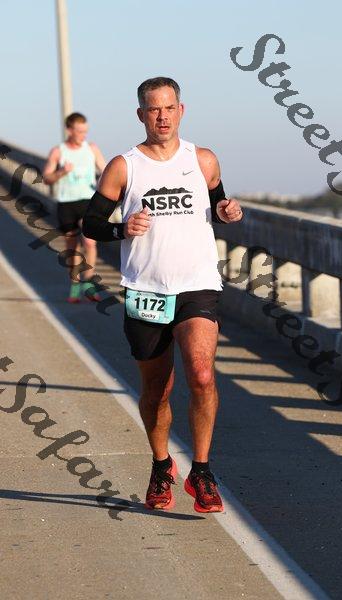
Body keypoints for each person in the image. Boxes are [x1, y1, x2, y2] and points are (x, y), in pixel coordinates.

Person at [82, 77, 243, 513]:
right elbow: (90, 224)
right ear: (141, 115)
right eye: (154, 109)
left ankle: (202, 472)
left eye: (169, 108)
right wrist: (122, 228)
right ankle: (160, 465)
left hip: (197, 285)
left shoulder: (202, 159)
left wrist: (228, 211)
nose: (162, 117)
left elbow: (219, 206)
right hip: (146, 290)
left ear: (181, 110)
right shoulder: (125, 166)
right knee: (157, 390)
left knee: (202, 375)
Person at [43, 112, 106, 302]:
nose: (83, 135)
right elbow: (47, 178)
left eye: (85, 131)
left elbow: (106, 171)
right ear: (69, 130)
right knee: (73, 248)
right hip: (66, 204)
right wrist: (62, 171)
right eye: (79, 131)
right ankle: (75, 283)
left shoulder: (92, 148)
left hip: (88, 202)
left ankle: (89, 283)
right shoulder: (58, 151)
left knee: (89, 242)